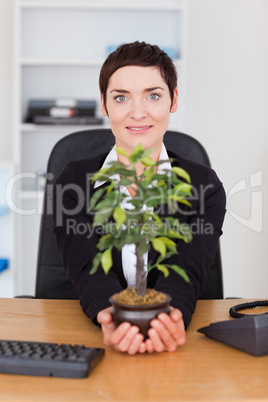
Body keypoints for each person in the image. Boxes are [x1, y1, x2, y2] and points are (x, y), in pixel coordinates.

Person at [53, 41, 226, 355]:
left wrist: (169, 320)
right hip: (94, 341)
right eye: (121, 97)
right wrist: (112, 317)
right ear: (104, 106)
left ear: (173, 100)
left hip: (176, 343)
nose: (137, 112)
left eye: (153, 95)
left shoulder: (204, 186)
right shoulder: (72, 182)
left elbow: (186, 267)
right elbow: (88, 267)